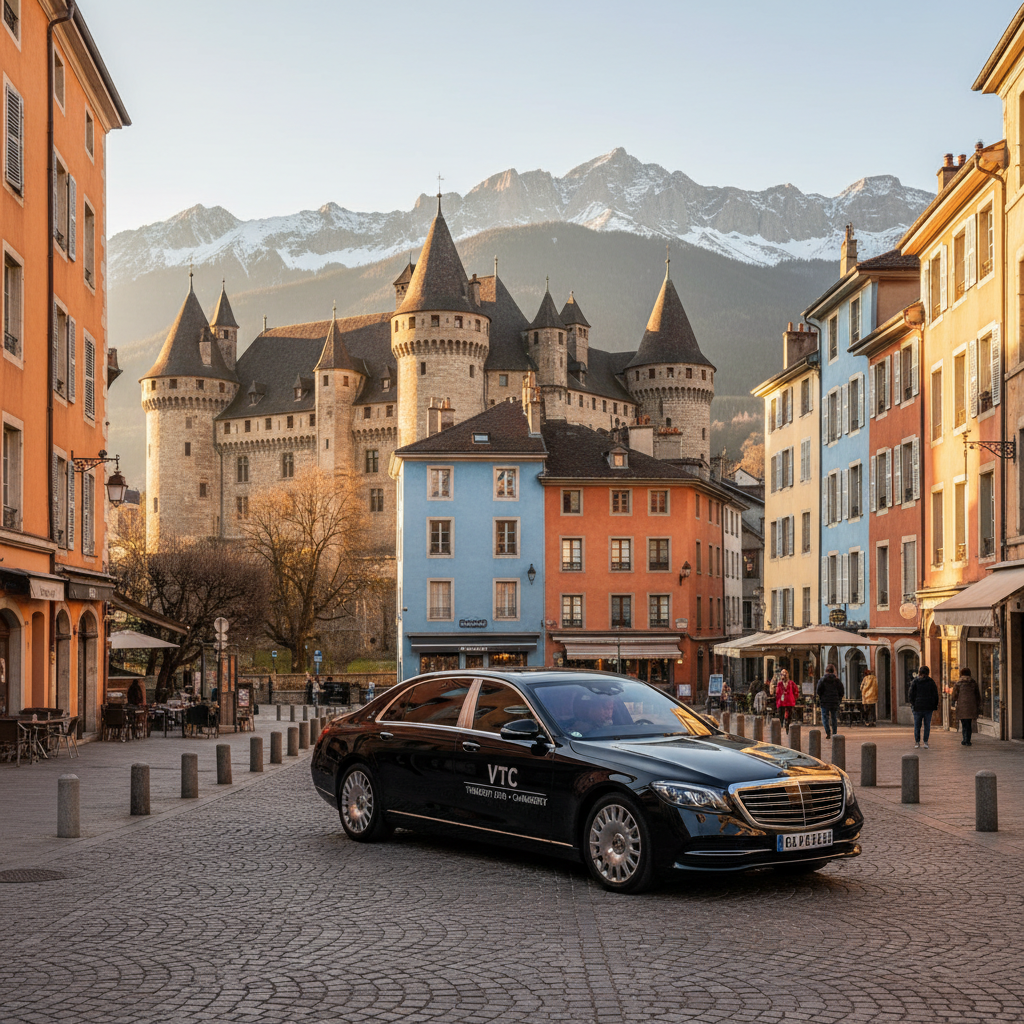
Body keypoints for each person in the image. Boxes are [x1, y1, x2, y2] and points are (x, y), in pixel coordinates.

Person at [908, 665, 939, 748]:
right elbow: (935, 695)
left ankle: (917, 742)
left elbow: (910, 694)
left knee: (917, 725)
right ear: (928, 673)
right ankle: (925, 742)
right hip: (928, 707)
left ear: (919, 673)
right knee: (927, 725)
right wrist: (935, 705)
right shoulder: (931, 682)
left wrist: (913, 704)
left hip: (917, 707)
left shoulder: (915, 681)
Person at [950, 667, 982, 746]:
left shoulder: (959, 683)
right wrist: (978, 704)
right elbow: (977, 695)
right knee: (969, 723)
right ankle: (968, 739)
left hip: (962, 706)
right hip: (971, 706)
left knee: (964, 723)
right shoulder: (973, 682)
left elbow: (954, 694)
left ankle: (965, 739)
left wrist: (953, 702)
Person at [816, 664, 844, 740]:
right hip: (834, 701)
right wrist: (839, 699)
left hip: (824, 701)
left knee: (825, 717)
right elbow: (841, 691)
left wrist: (822, 696)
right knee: (834, 717)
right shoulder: (837, 681)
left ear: (826, 671)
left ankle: (828, 732)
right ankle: (834, 733)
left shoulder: (822, 680)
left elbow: (818, 691)